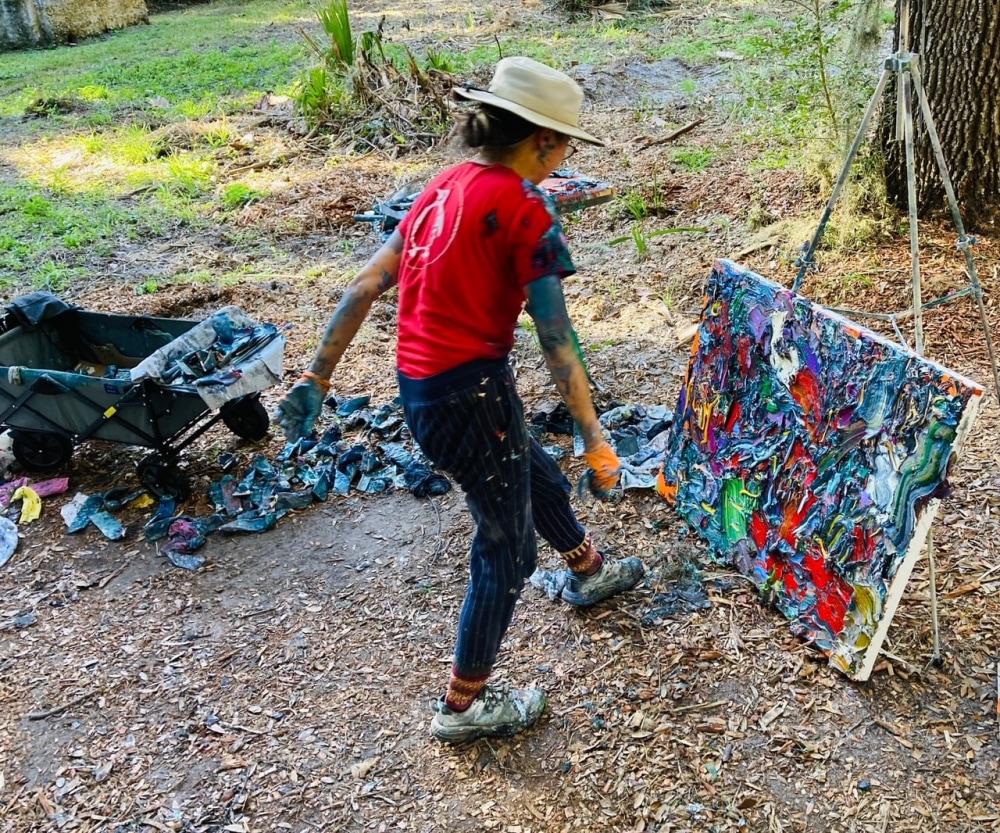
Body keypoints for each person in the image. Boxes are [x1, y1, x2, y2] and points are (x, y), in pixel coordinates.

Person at [276, 56, 645, 744]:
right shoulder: (526, 209)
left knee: (529, 471)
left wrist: (316, 379)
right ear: (539, 139)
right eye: (565, 144)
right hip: (471, 395)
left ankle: (588, 569)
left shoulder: (442, 185)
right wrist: (595, 437)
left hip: (425, 393)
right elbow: (558, 342)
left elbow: (364, 285)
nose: (565, 159)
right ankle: (463, 704)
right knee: (505, 551)